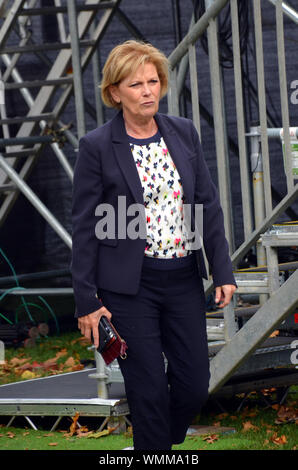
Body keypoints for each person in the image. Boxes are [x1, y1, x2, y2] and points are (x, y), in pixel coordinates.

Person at [70, 40, 237, 450]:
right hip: (128, 289)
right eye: (135, 84)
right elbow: (85, 227)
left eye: (153, 81)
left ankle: (157, 443)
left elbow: (207, 204)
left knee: (194, 385)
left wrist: (223, 268)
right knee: (147, 394)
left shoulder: (183, 132)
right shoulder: (96, 146)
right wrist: (87, 300)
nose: (148, 91)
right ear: (115, 93)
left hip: (181, 279)